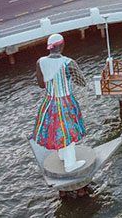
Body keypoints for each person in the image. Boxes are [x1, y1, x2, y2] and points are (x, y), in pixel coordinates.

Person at [31, 33, 88, 173]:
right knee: (68, 130)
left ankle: (62, 155)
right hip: (65, 102)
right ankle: (70, 164)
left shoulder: (40, 62)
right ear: (62, 45)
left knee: (56, 129)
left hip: (49, 102)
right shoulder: (68, 63)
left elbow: (41, 85)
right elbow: (82, 83)